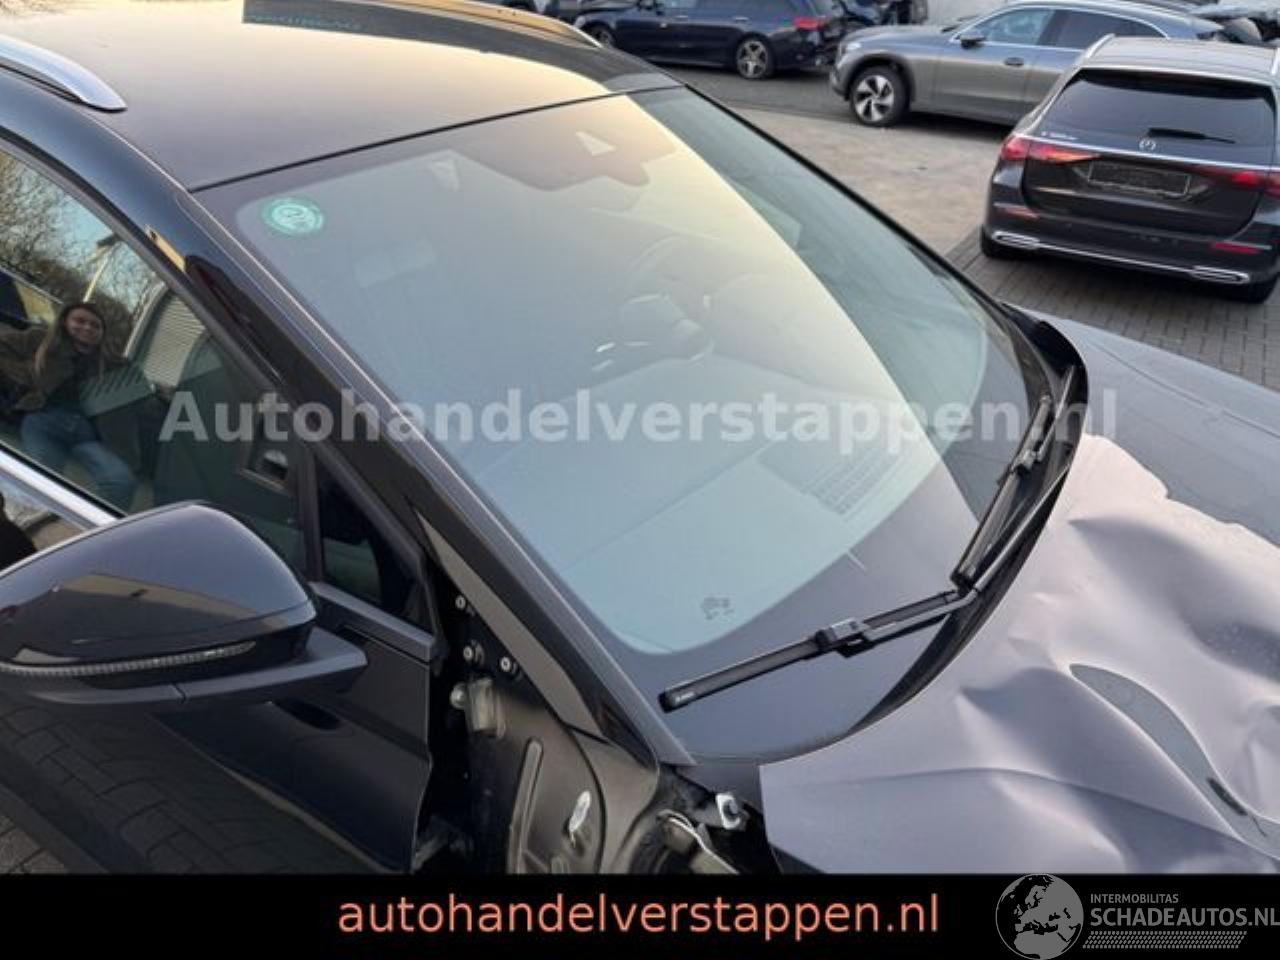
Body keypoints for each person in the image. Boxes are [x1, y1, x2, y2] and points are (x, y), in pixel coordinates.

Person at [0, 302, 137, 509]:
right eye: (80, 321)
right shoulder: (40, 340)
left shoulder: (111, 364)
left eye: (95, 325)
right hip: (43, 421)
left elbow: (134, 393)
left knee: (121, 481)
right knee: (43, 482)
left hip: (86, 433)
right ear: (65, 322)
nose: (87, 327)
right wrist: (27, 376)